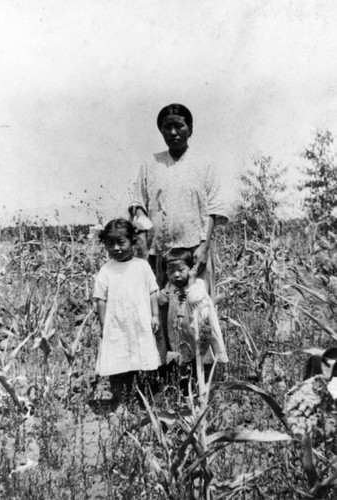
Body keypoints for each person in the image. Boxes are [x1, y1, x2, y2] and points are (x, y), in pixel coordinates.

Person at [129, 103, 228, 295]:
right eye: (167, 127)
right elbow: (138, 203)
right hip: (159, 252)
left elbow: (214, 210)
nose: (173, 132)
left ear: (190, 129)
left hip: (194, 251)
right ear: (161, 131)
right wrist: (144, 234)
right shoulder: (150, 164)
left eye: (179, 126)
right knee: (160, 306)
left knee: (196, 306)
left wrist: (204, 247)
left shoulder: (204, 164)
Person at [93, 218, 161, 405]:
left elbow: (152, 291)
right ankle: (120, 399)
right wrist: (103, 324)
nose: (115, 248)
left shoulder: (142, 266)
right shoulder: (106, 271)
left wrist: (155, 315)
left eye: (121, 242)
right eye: (110, 243)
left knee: (144, 358)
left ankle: (148, 397)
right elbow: (100, 299)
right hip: (117, 326)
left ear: (132, 241)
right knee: (118, 359)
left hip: (140, 323)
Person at [158, 248, 228, 393]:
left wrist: (191, 280)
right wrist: (162, 294)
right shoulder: (170, 287)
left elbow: (194, 298)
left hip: (198, 332)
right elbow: (162, 300)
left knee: (204, 358)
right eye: (170, 271)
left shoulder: (198, 284)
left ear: (191, 270)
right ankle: (187, 391)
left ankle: (208, 388)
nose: (176, 275)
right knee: (183, 360)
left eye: (181, 270)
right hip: (179, 334)